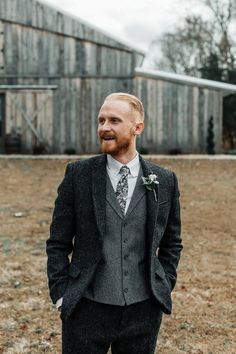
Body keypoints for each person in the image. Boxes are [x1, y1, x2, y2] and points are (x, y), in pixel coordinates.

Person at [46, 92, 183, 354]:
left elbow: (172, 242)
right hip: (86, 308)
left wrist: (163, 284)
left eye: (114, 121)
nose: (104, 128)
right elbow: (58, 242)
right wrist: (62, 294)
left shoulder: (164, 180)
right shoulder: (78, 175)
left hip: (143, 312)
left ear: (137, 127)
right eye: (101, 121)